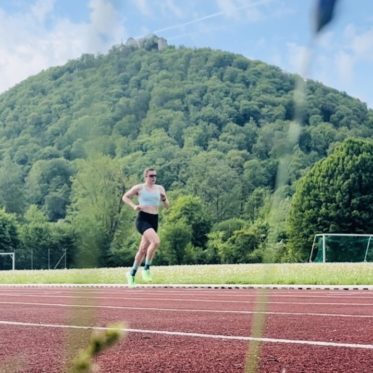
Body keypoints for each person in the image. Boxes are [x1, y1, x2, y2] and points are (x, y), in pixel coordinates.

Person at [122, 167, 169, 287]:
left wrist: (164, 199)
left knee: (143, 250)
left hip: (154, 219)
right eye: (151, 176)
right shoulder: (140, 188)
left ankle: (131, 274)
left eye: (155, 176)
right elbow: (125, 197)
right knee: (156, 241)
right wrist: (133, 206)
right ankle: (146, 269)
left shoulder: (160, 188)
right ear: (145, 177)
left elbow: (167, 205)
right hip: (143, 219)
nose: (153, 178)